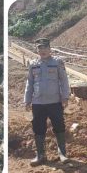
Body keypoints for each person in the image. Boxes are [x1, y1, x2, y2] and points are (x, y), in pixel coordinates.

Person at [24, 37, 71, 166]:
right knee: (38, 128)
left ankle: (62, 154)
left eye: (45, 48)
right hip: (38, 103)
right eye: (40, 48)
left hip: (54, 101)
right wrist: (27, 100)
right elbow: (30, 82)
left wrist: (65, 97)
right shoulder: (33, 64)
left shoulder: (57, 62)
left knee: (59, 126)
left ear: (50, 49)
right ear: (37, 50)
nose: (43, 51)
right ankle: (41, 155)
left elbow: (64, 80)